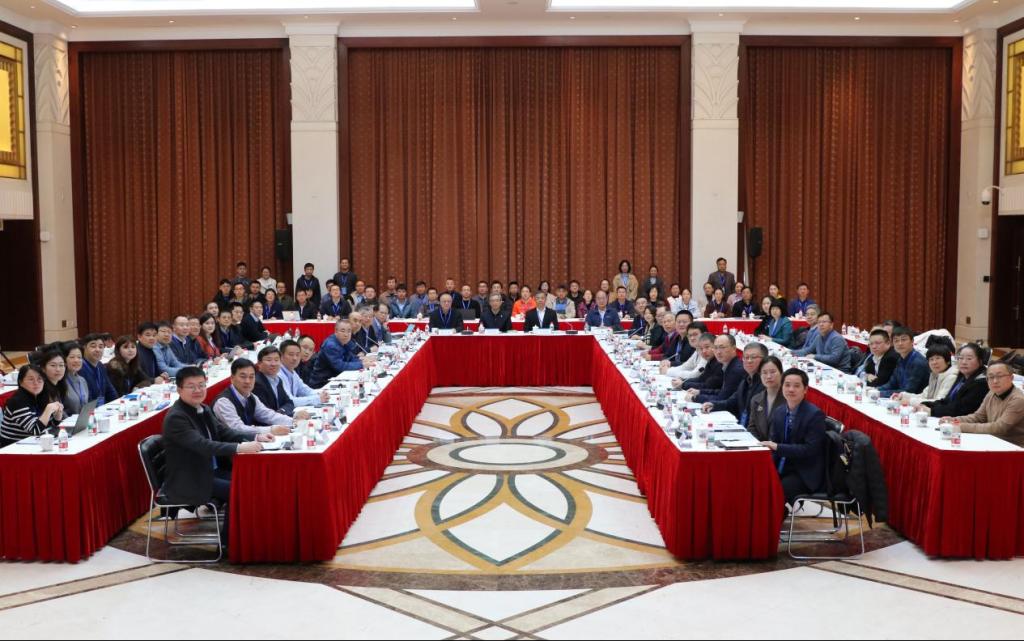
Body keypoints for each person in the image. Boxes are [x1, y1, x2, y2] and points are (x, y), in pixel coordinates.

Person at [160, 366, 270, 538]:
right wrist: (239, 448)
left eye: (201, 385)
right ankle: (229, 543)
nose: (198, 390)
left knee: (252, 480)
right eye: (191, 386)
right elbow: (204, 445)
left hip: (208, 471)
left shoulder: (202, 408)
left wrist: (256, 436)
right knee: (240, 490)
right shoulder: (177, 417)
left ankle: (253, 534)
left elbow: (224, 432)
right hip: (189, 479)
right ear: (179, 390)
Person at [761, 368, 827, 505]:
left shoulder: (815, 415)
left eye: (796, 386)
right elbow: (774, 443)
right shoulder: (779, 412)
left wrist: (778, 447)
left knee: (777, 491)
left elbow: (810, 450)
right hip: (784, 465)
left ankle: (776, 517)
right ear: (782, 387)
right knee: (758, 481)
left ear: (805, 389)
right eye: (787, 385)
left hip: (804, 471)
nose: (791, 389)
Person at [212, 359, 294, 437]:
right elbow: (237, 429)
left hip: (248, 441)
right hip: (231, 445)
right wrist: (270, 430)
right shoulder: (223, 402)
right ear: (232, 378)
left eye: (251, 377)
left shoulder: (251, 396)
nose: (247, 381)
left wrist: (293, 422)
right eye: (243, 377)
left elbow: (268, 415)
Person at [954, 362, 1024, 447]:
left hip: (1014, 447)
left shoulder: (1018, 399)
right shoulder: (992, 393)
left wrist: (961, 426)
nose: (995, 381)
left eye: (999, 376)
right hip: (992, 441)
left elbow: (999, 428)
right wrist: (954, 420)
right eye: (991, 377)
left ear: (1011, 378)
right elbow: (979, 417)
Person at [703, 342, 768, 424]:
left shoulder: (766, 383)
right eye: (746, 357)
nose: (749, 361)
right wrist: (714, 405)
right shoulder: (746, 380)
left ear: (765, 360)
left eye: (753, 357)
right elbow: (732, 402)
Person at [1, 365, 64, 448]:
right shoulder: (18, 401)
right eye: (31, 379)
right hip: (13, 447)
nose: (36, 383)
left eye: (39, 379)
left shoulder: (40, 397)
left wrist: (57, 417)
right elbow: (35, 430)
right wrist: (48, 410)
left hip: (34, 444)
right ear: (21, 382)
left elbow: (48, 426)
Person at [920, 344, 990, 418]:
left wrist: (932, 411)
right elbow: (948, 400)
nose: (964, 362)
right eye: (960, 358)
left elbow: (961, 409)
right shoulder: (962, 376)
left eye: (969, 359)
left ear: (980, 361)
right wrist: (927, 404)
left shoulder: (982, 382)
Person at [253, 346, 314, 419]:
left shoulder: (278, 380)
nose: (273, 364)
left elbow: (289, 403)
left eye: (276, 360)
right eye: (269, 360)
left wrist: (281, 411)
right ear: (259, 363)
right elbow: (264, 414)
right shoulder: (257, 383)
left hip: (280, 419)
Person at [684, 333, 744, 404]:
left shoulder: (735, 370)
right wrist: (700, 391)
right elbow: (722, 392)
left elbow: (722, 398)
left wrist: (695, 398)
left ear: (734, 348)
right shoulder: (728, 365)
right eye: (715, 348)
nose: (718, 352)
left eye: (722, 347)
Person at [310, 319, 365, 387]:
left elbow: (351, 358)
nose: (346, 334)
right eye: (342, 331)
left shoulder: (345, 342)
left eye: (349, 331)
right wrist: (362, 364)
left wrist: (362, 361)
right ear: (336, 331)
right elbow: (340, 366)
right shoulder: (331, 345)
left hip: (336, 379)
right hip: (322, 383)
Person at [878, 326, 929, 397]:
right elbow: (892, 383)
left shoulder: (918, 362)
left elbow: (908, 391)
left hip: (916, 400)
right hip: (901, 398)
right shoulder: (900, 359)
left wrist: (880, 394)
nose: (900, 343)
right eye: (896, 340)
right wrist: (875, 390)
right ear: (892, 344)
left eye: (903, 339)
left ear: (912, 341)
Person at [278, 340, 331, 408]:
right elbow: (290, 401)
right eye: (291, 354)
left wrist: (322, 393)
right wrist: (317, 399)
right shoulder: (278, 374)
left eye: (297, 355)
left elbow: (305, 390)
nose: (295, 358)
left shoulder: (292, 372)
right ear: (281, 356)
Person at [746, 355, 783, 441]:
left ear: (781, 373)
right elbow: (752, 428)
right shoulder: (756, 399)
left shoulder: (789, 399)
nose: (768, 376)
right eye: (764, 373)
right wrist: (760, 445)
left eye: (773, 372)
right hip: (760, 446)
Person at [80, 333, 118, 405]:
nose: (97, 350)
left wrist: (117, 404)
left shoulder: (100, 366)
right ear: (84, 347)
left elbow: (110, 389)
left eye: (101, 347)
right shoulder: (80, 368)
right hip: (89, 408)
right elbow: (85, 398)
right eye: (93, 346)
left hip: (102, 407)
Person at [61, 343, 90, 416]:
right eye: (72, 357)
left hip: (83, 420)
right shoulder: (60, 381)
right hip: (68, 422)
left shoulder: (82, 380)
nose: (76, 360)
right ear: (64, 359)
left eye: (79, 357)